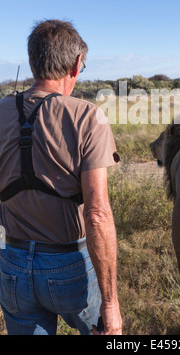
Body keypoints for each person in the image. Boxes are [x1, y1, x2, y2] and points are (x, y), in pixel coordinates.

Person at [0, 19, 122, 335]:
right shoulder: (87, 116)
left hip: (11, 263)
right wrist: (111, 305)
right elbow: (97, 216)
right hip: (69, 264)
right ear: (75, 65)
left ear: (32, 60)